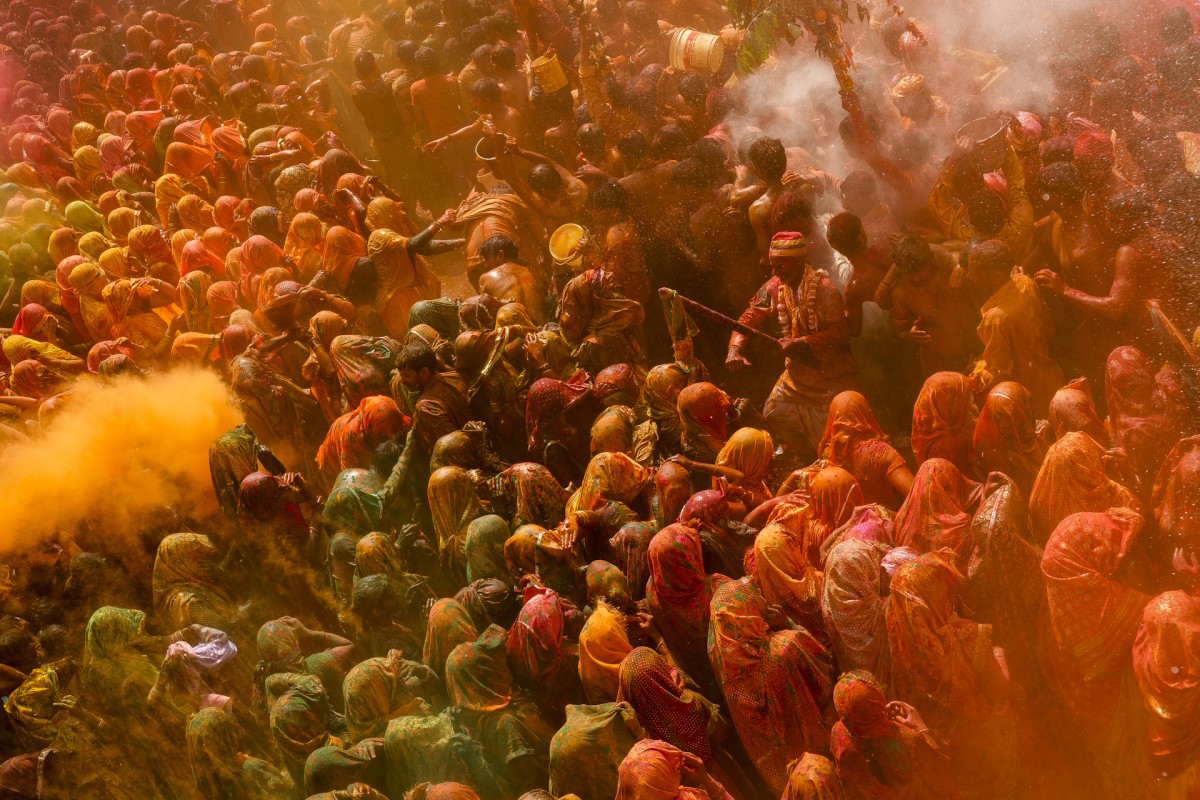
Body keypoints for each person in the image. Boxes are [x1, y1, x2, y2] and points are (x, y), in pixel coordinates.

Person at [726, 232, 857, 462]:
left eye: (781, 266)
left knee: (832, 445)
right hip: (795, 376)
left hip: (829, 376)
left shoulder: (825, 290)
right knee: (774, 411)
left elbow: (841, 332)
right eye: (772, 266)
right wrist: (734, 349)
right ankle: (806, 455)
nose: (775, 272)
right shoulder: (775, 286)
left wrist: (801, 342)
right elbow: (748, 318)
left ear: (799, 262)